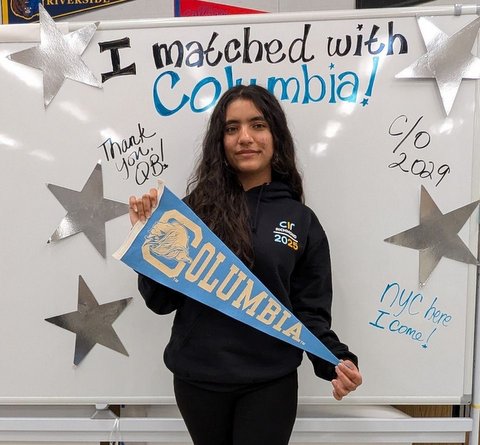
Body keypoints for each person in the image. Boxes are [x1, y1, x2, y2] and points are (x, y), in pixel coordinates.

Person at [129, 84, 362, 445]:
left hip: (270, 381)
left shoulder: (301, 219)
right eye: (231, 128)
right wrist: (147, 242)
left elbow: (309, 312)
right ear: (219, 141)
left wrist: (335, 361)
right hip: (197, 378)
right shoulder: (193, 211)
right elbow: (160, 301)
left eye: (257, 125)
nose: (245, 138)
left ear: (276, 136)